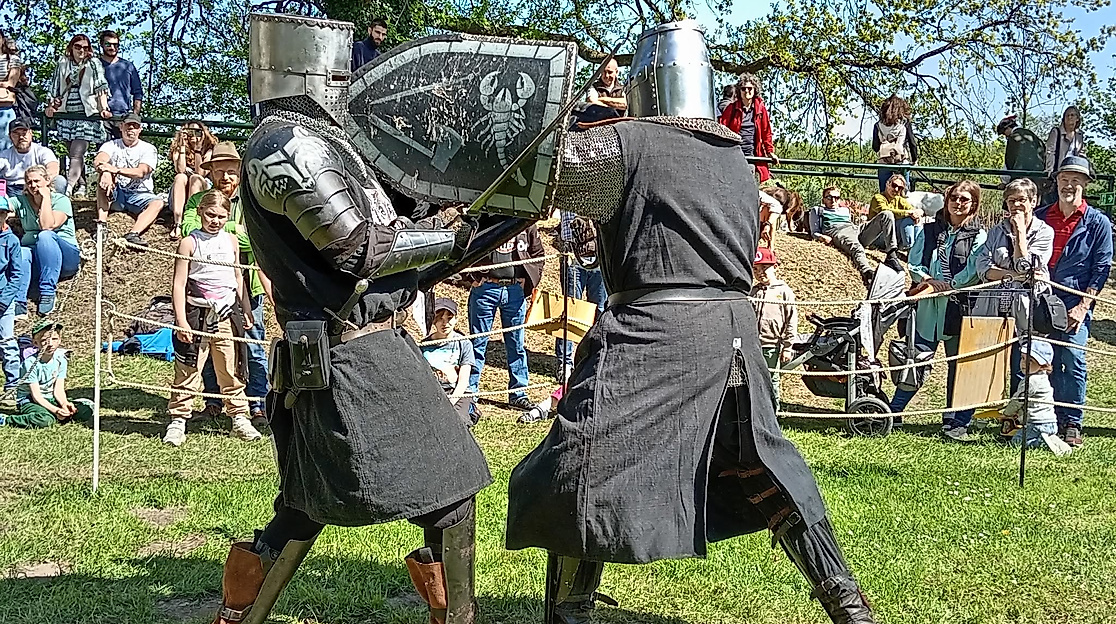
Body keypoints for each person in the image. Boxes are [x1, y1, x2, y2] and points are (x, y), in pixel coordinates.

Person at [506, 21, 876, 624]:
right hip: (730, 333)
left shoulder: (625, 143)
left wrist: (553, 112)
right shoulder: (738, 158)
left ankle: (567, 611)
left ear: (645, 83)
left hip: (652, 331)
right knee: (761, 463)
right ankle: (845, 600)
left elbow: (540, 173)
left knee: (584, 462)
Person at [209, 14, 490, 624]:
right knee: (448, 491)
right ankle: (456, 617)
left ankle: (242, 613)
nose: (352, 77)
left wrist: (478, 219)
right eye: (342, 66)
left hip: (356, 347)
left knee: (308, 505)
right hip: (348, 355)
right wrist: (445, 238)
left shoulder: (328, 142)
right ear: (312, 68)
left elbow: (391, 241)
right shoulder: (284, 144)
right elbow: (356, 247)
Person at [180, 142, 271, 426]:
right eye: (220, 172)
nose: (226, 178)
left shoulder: (255, 200)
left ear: (240, 172)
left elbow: (257, 240)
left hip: (247, 285)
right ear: (211, 173)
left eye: (231, 172)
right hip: (204, 290)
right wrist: (234, 230)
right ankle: (213, 400)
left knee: (251, 342)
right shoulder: (198, 201)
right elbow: (188, 231)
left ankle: (258, 402)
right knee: (204, 347)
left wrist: (228, 234)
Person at [888, 180, 987, 439]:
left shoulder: (979, 235)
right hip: (928, 304)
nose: (958, 202)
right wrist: (927, 280)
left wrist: (951, 285)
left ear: (973, 204)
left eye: (964, 199)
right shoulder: (930, 230)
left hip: (959, 307)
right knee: (917, 359)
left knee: (958, 366)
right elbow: (914, 261)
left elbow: (974, 268)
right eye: (954, 197)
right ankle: (894, 412)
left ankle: (953, 419)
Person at [162, 190, 261, 447]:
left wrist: (246, 308)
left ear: (227, 217)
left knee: (231, 366)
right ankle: (178, 419)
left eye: (220, 216)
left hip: (227, 313)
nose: (214, 220)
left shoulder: (231, 241)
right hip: (197, 313)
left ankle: (239, 417)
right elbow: (179, 283)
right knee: (189, 367)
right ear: (200, 213)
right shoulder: (189, 242)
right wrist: (181, 320)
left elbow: (238, 277)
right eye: (210, 215)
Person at [1034, 155, 1112, 447]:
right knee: (1041, 359)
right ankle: (1046, 416)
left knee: (1074, 359)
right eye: (1064, 178)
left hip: (1075, 300)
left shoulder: (1098, 223)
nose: (1069, 184)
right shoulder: (1040, 216)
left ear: (1086, 184)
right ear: (1056, 182)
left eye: (1076, 180)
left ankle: (1073, 422)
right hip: (1041, 299)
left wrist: (1083, 306)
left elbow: (1101, 268)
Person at [975, 177, 1054, 396]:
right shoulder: (995, 232)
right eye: (1011, 201)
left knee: (1024, 359)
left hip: (1027, 305)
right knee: (989, 355)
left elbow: (1028, 265)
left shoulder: (1045, 232)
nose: (1016, 206)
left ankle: (1016, 413)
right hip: (994, 303)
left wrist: (1020, 232)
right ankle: (987, 408)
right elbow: (983, 268)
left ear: (1033, 201)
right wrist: (1016, 275)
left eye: (1021, 200)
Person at [466, 224, 545, 411]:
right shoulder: (487, 221)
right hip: (485, 290)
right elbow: (467, 249)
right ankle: (470, 392)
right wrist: (473, 277)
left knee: (516, 345)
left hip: (514, 291)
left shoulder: (527, 223)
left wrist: (530, 280)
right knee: (477, 344)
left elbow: (539, 255)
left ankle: (518, 393)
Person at [45, 34, 113, 197]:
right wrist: (50, 106)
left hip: (86, 115)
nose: (81, 50)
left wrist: (103, 108)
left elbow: (100, 87)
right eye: (78, 47)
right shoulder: (62, 63)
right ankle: (81, 184)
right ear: (71, 48)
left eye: (85, 47)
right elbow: (55, 87)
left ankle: (67, 189)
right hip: (67, 114)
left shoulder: (94, 63)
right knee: (72, 153)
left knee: (77, 153)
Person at [8, 165, 80, 315]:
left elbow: (47, 226)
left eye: (37, 181)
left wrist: (46, 198)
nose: (33, 185)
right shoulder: (21, 201)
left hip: (65, 257)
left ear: (47, 181)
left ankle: (47, 293)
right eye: (29, 182)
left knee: (45, 236)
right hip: (37, 259)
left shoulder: (61, 200)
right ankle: (18, 302)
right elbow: (5, 206)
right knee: (21, 251)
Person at [5, 320, 93, 428]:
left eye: (54, 339)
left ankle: (60, 413)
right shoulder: (30, 364)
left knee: (86, 409)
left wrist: (64, 404)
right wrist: (56, 410)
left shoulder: (61, 360)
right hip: (30, 400)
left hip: (50, 397)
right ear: (35, 343)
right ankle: (7, 420)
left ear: (60, 340)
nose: (50, 344)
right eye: (44, 340)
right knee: (45, 420)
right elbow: (36, 396)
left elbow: (58, 390)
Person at [93, 112, 164, 246]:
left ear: (140, 129)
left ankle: (133, 234)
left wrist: (116, 170)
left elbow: (141, 172)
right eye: (128, 125)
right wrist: (106, 171)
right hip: (116, 192)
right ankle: (101, 225)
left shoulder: (148, 149)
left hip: (141, 194)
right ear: (121, 127)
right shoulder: (110, 145)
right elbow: (99, 160)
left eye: (135, 126)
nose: (131, 129)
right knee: (103, 176)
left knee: (158, 203)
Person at [553, 210, 606, 385]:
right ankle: (565, 363)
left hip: (599, 256)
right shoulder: (567, 191)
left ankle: (596, 358)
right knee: (569, 310)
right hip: (572, 257)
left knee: (600, 310)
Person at [750, 247, 797, 409]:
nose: (760, 272)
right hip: (753, 345)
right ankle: (757, 413)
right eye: (756, 269)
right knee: (753, 379)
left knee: (771, 379)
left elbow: (791, 320)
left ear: (775, 267)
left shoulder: (784, 292)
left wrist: (787, 347)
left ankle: (773, 413)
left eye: (764, 267)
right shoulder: (753, 292)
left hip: (772, 345)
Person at [1000, 339, 1065, 453]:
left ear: (1043, 365)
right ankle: (1050, 438)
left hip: (1037, 423)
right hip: (1049, 422)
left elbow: (1018, 400)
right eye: (1023, 358)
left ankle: (1041, 442)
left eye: (1030, 361)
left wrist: (1007, 413)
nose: (1023, 363)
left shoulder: (1032, 381)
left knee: (1017, 442)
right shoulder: (1041, 377)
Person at [421, 298, 476, 427]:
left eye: (449, 318)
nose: (444, 323)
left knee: (456, 423)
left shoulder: (464, 343)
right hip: (433, 392)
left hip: (458, 392)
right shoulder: (424, 345)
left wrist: (451, 401)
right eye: (440, 318)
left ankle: (470, 412)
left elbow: (463, 381)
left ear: (456, 319)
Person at [718, 72, 778, 182]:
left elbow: (766, 132)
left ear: (755, 90)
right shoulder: (731, 109)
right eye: (743, 89)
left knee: (750, 179)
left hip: (752, 155)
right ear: (739, 91)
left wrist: (770, 152)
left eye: (749, 88)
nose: (746, 91)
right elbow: (722, 129)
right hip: (734, 154)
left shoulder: (760, 109)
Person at [168, 120, 217, 237]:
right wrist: (183, 147)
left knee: (195, 178)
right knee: (180, 177)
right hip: (179, 195)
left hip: (199, 188)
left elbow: (201, 172)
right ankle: (178, 222)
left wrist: (197, 150)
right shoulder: (179, 148)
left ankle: (191, 219)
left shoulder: (209, 150)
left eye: (198, 132)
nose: (194, 135)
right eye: (190, 132)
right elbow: (180, 169)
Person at [0, 117, 66, 196]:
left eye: (24, 133)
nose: (21, 137)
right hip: (12, 190)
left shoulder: (42, 151)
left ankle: (52, 207)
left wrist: (39, 183)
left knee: (60, 181)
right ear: (10, 136)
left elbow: (53, 168)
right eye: (16, 134)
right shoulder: (4, 155)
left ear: (31, 133)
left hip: (38, 187)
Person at [97, 29, 143, 139]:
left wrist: (134, 115)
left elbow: (138, 92)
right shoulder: (95, 65)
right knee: (104, 151)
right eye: (108, 44)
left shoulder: (128, 66)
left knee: (124, 152)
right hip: (101, 116)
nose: (112, 48)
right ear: (102, 44)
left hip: (123, 116)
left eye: (115, 45)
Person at [0, 201, 25, 389]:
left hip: (3, 300)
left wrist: (4, 300)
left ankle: (12, 386)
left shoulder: (12, 241)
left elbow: (16, 276)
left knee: (7, 343)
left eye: (1, 213)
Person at [872, 95, 918, 193]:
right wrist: (914, 159)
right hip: (901, 161)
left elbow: (875, 147)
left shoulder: (878, 125)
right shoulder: (905, 123)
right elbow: (912, 143)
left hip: (884, 162)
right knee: (904, 191)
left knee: (884, 192)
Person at [869, 173, 922, 251]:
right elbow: (886, 212)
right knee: (907, 218)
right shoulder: (877, 198)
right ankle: (912, 250)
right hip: (877, 237)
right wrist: (909, 213)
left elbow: (912, 209)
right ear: (888, 184)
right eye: (894, 185)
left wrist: (918, 213)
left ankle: (916, 248)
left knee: (914, 218)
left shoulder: (898, 199)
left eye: (900, 188)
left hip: (892, 236)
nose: (896, 189)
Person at [997, 115, 1045, 186]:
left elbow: (1009, 162)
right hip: (1039, 179)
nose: (1005, 136)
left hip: (1020, 181)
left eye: (1004, 133)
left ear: (1008, 128)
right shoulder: (1032, 135)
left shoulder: (1013, 138)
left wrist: (1005, 182)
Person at [1045, 106, 1086, 175]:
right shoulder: (1056, 132)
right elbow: (1050, 152)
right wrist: (1050, 171)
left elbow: (1082, 154)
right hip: (1059, 171)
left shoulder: (1079, 135)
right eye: (1067, 115)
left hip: (1074, 170)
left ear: (1077, 119)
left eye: (1072, 115)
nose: (1069, 117)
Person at [0, 33, 24, 152]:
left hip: (4, 109)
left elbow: (10, 84)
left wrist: (5, 84)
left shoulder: (12, 59)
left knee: (5, 146)